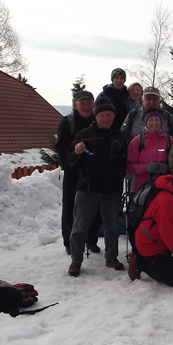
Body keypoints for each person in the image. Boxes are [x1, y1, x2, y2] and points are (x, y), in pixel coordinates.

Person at [67, 97, 127, 277]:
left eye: (109, 115)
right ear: (96, 116)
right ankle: (76, 260)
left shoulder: (119, 137)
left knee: (112, 228)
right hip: (87, 189)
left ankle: (111, 257)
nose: (106, 118)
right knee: (79, 227)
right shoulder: (84, 135)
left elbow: (126, 162)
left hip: (112, 190)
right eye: (102, 115)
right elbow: (70, 160)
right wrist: (76, 152)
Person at [128, 164, 173, 287]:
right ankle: (139, 261)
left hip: (163, 245)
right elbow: (170, 235)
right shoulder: (167, 200)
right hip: (150, 245)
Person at [55, 90, 102, 255]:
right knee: (70, 207)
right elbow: (60, 147)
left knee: (95, 207)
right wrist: (76, 150)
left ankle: (91, 239)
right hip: (73, 171)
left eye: (89, 103)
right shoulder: (67, 122)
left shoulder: (98, 120)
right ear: (75, 105)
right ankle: (69, 242)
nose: (87, 106)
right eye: (83, 103)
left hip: (93, 172)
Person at [127, 108, 173, 193]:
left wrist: (167, 168)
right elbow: (130, 167)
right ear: (146, 122)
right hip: (140, 188)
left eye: (157, 120)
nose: (154, 123)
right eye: (151, 120)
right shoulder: (137, 141)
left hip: (162, 187)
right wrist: (146, 168)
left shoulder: (168, 140)